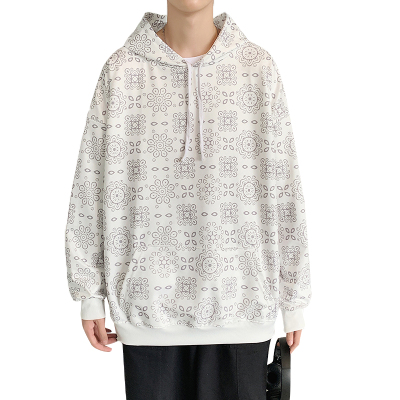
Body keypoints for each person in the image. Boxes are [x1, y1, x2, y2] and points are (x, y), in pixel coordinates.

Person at [64, 1, 312, 399]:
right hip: (146, 305)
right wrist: (90, 294)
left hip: (241, 303)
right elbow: (91, 182)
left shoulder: (257, 68)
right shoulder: (122, 70)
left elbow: (283, 182)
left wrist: (293, 297)